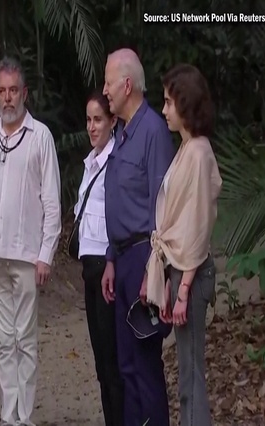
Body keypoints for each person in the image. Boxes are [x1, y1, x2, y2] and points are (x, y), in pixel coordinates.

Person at [0, 56, 62, 426]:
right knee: (5, 341)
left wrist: (46, 255)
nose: (7, 98)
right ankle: (9, 417)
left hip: (26, 257)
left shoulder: (40, 137)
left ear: (24, 93)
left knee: (25, 339)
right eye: (1, 91)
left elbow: (52, 202)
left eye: (13, 91)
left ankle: (25, 416)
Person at [100, 48, 174, 426]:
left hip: (145, 258)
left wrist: (153, 270)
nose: (105, 90)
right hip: (123, 260)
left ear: (127, 85)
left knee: (145, 363)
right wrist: (112, 259)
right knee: (125, 364)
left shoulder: (153, 132)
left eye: (109, 82)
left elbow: (162, 208)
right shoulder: (122, 133)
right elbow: (119, 199)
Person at [145, 63, 222, 426]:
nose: (164, 111)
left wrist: (183, 288)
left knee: (191, 373)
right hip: (179, 270)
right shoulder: (188, 148)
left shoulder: (199, 153)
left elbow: (198, 226)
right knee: (186, 374)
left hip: (191, 271)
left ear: (185, 103)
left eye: (168, 102)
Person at [73, 89, 123, 426]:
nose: (92, 127)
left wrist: (111, 260)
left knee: (112, 357)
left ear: (112, 122)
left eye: (98, 120)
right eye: (89, 120)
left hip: (106, 264)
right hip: (88, 265)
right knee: (100, 360)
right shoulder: (91, 163)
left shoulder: (115, 162)